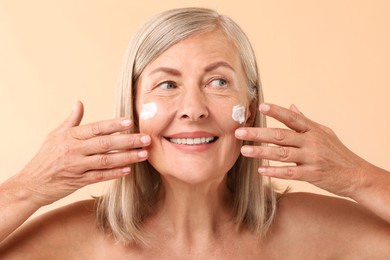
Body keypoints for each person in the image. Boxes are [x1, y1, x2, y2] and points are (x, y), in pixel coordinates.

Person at [0, 7, 389, 259]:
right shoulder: (79, 240)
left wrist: (355, 176)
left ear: (250, 109)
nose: (193, 108)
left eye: (218, 82)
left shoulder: (308, 231)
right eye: (167, 85)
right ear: (132, 110)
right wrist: (28, 187)